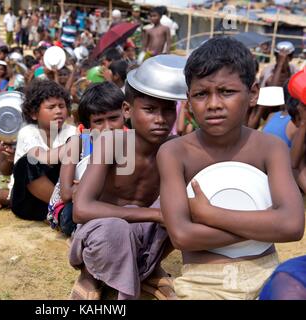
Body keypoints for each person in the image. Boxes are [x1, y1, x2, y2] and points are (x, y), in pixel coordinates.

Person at [157, 37, 304, 300]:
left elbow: (292, 226)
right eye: (201, 94)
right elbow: (182, 236)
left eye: (226, 91)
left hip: (266, 272)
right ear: (188, 100)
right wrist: (268, 223)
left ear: (253, 94)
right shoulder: (174, 153)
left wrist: (210, 214)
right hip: (203, 281)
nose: (213, 104)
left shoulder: (270, 148)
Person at [69, 55, 186, 300]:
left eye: (168, 110)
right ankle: (90, 275)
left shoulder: (175, 149)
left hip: (145, 236)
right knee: (116, 229)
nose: (160, 119)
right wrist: (154, 214)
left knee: (181, 202)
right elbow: (81, 209)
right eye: (150, 110)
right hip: (104, 234)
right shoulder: (111, 143)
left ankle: (150, 268)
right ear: (127, 110)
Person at [47, 82, 126, 236]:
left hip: (102, 203)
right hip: (70, 209)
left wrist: (83, 187)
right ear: (88, 125)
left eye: (113, 118)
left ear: (125, 113)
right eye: (99, 121)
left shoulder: (128, 144)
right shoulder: (78, 144)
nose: (108, 127)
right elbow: (66, 194)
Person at [9, 79, 76, 220]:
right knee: (27, 163)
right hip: (29, 202)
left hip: (61, 192)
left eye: (62, 106)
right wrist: (72, 146)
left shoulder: (71, 131)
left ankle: (63, 211)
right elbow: (41, 157)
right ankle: (61, 211)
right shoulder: (28, 131)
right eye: (51, 107)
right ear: (34, 114)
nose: (58, 111)